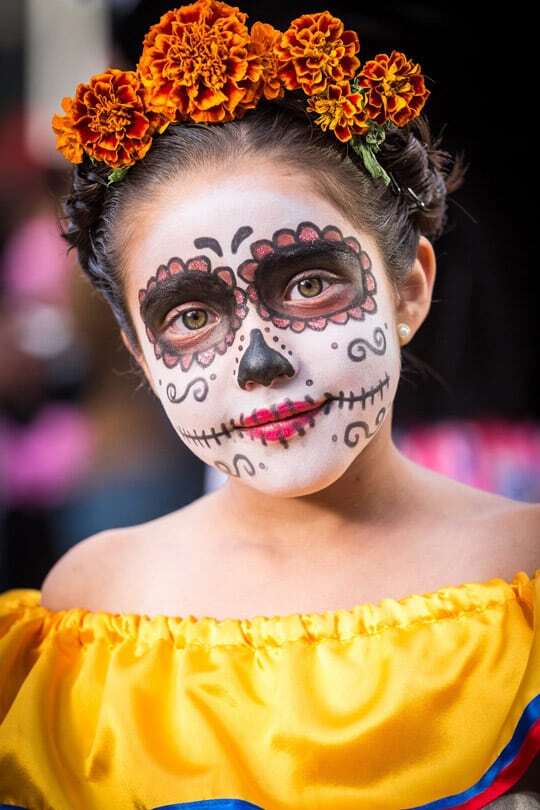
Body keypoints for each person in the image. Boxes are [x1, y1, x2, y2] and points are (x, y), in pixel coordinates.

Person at [0, 2, 538, 808]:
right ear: (142, 354)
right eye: (189, 315)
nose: (258, 363)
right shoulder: (91, 607)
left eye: (310, 283)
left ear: (410, 288)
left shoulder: (524, 575)